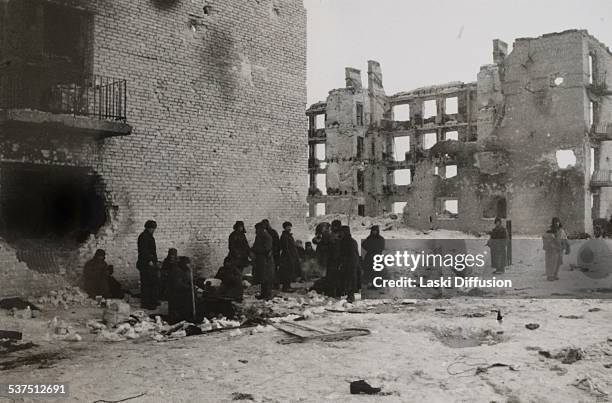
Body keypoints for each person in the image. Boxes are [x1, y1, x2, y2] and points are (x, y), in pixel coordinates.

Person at [137, 220, 160, 310]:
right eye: (152, 228)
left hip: (150, 263)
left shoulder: (149, 236)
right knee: (147, 284)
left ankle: (152, 300)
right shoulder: (143, 237)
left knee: (152, 283)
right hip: (145, 264)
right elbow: (144, 251)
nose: (153, 230)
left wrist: (155, 261)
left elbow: (153, 251)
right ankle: (147, 303)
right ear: (148, 228)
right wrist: (149, 261)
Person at [167, 256, 195, 324]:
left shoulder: (185, 270)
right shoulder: (177, 271)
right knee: (179, 309)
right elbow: (178, 284)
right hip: (177, 294)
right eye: (187, 263)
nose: (188, 265)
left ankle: (187, 317)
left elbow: (189, 280)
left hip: (183, 292)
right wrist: (188, 287)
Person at [252, 222, 275, 300]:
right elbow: (255, 246)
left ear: (261, 229)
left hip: (265, 261)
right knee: (262, 278)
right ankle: (263, 294)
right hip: (261, 260)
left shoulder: (266, 236)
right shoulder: (259, 236)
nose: (256, 230)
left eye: (257, 229)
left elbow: (266, 249)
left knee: (266, 278)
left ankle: (268, 295)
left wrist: (255, 250)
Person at [542, 217, 570, 281]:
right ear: (553, 223)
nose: (556, 223)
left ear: (559, 223)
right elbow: (545, 238)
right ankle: (550, 275)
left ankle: (555, 275)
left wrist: (567, 247)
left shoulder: (561, 231)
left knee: (558, 262)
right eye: (555, 222)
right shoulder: (549, 230)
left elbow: (565, 239)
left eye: (558, 222)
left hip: (559, 249)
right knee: (550, 262)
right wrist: (550, 244)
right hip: (551, 250)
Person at [338, 225, 360, 303]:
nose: (340, 233)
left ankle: (351, 296)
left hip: (350, 263)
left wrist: (345, 261)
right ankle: (348, 295)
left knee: (350, 280)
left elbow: (352, 254)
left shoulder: (348, 242)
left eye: (342, 232)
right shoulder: (346, 241)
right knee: (347, 280)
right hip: (348, 263)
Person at [279, 221, 300, 291]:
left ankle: (288, 286)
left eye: (290, 226)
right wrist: (290, 257)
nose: (290, 228)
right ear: (285, 228)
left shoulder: (288, 235)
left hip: (291, 257)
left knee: (290, 272)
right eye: (288, 227)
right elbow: (286, 248)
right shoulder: (284, 236)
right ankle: (286, 287)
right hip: (287, 257)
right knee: (287, 272)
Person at [261, 219, 280, 288]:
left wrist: (273, 251)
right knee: (270, 270)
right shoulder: (267, 232)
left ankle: (275, 284)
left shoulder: (271, 232)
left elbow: (276, 243)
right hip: (271, 253)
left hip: (273, 253)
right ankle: (273, 284)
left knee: (273, 269)